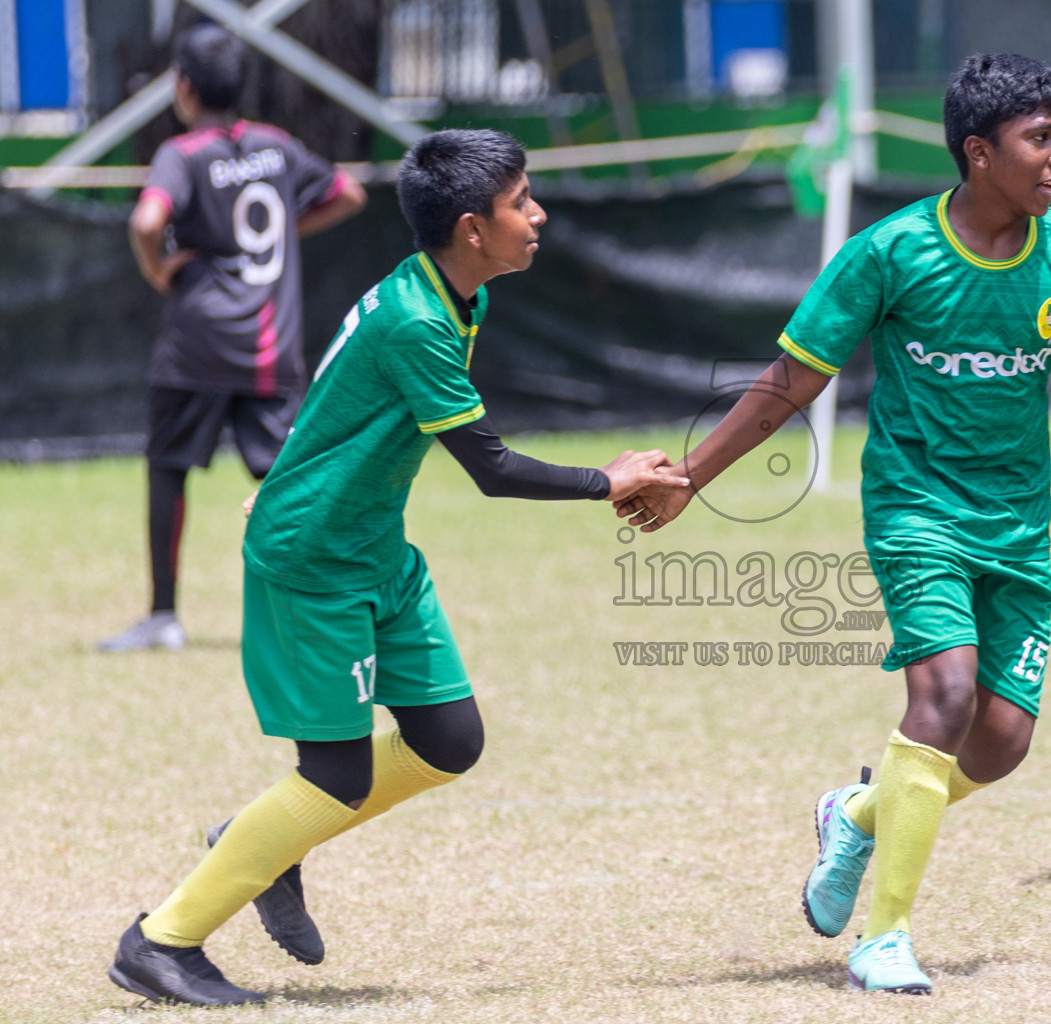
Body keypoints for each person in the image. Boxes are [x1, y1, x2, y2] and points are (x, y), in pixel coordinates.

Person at [616, 53, 1051, 994]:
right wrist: (694, 476)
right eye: (1041, 139)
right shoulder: (890, 252)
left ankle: (857, 815)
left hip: (1018, 528)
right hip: (917, 514)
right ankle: (884, 939)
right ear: (980, 153)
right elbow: (793, 382)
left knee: (1001, 743)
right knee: (940, 700)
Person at [107, 128, 691, 1006]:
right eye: (520, 203)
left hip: (375, 547)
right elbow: (490, 469)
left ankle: (262, 842)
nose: (538, 215)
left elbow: (344, 389)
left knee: (449, 741)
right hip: (315, 562)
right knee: (335, 774)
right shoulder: (418, 319)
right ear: (471, 228)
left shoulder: (454, 297)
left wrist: (296, 471)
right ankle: (160, 941)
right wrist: (607, 480)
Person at [100, 23, 367, 652]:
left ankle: (163, 616)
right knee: (287, 476)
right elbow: (350, 193)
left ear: (184, 87)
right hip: (271, 345)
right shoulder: (278, 146)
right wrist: (284, 239)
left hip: (196, 343)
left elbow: (147, 219)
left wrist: (154, 268)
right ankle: (330, 605)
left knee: (168, 467)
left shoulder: (182, 153)